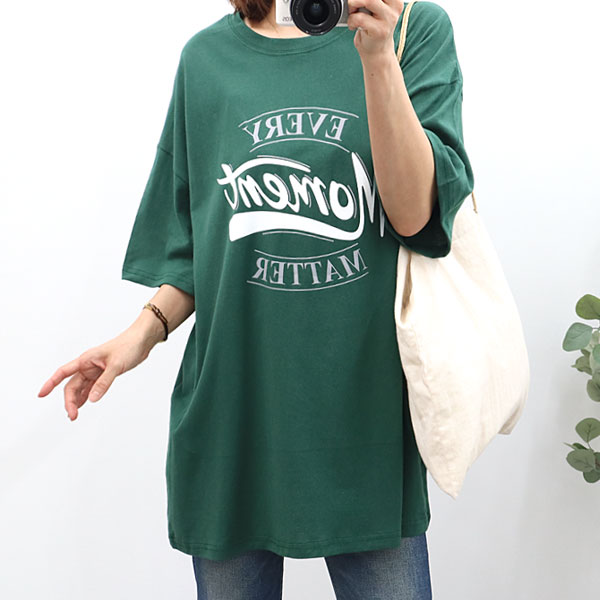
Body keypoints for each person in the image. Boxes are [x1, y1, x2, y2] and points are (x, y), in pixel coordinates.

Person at [38, 0, 474, 597]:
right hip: (233, 419)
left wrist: (377, 58)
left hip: (365, 424)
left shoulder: (410, 29)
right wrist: (138, 336)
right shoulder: (206, 60)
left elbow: (416, 216)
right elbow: (198, 246)